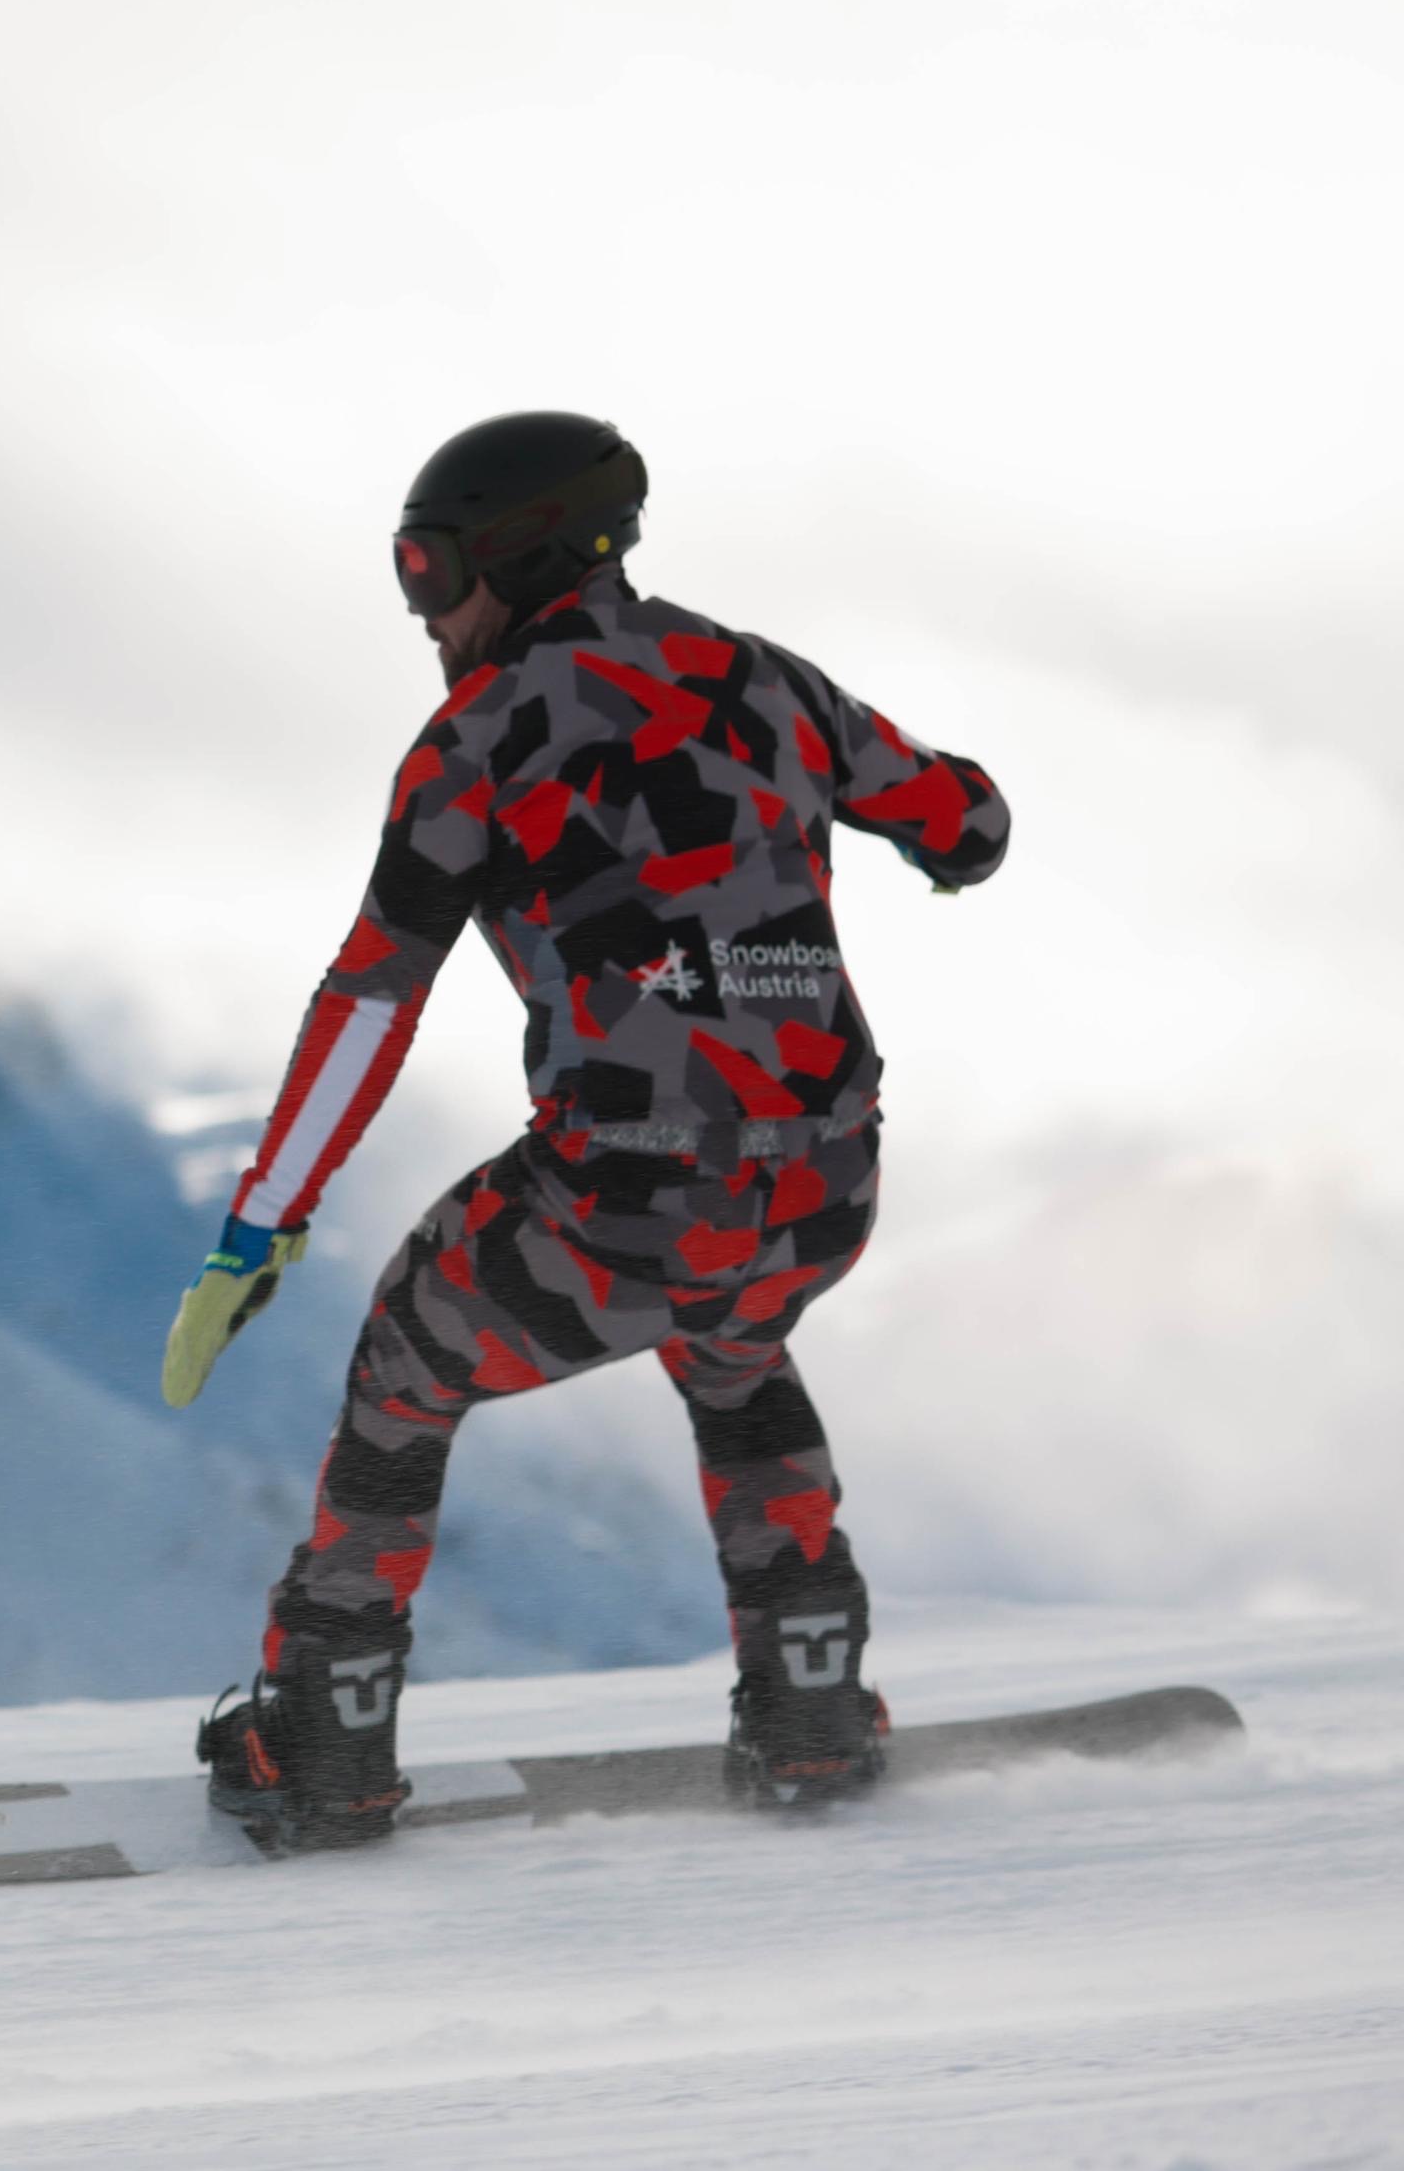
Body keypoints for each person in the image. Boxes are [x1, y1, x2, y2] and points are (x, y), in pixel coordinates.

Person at [161, 414, 1009, 1848]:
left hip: (625, 1195)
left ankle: (322, 1745)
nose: (425, 616)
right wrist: (911, 845)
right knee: (734, 1350)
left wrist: (260, 1226)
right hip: (828, 1182)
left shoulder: (474, 741)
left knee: (405, 1368)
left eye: (431, 576)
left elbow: (371, 1004)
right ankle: (810, 1711)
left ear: (518, 557)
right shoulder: (765, 677)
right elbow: (970, 823)